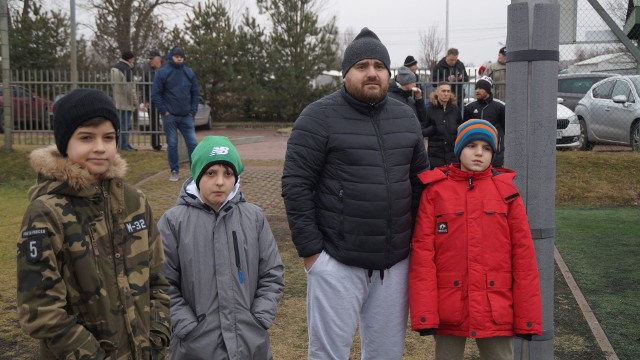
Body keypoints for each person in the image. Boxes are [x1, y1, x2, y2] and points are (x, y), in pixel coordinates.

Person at [281, 27, 429, 360]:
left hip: (394, 265)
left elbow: (420, 184)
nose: (372, 73)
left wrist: (415, 243)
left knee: (386, 354)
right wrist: (313, 255)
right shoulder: (317, 117)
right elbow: (296, 184)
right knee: (329, 354)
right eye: (362, 66)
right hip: (337, 262)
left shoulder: (406, 118)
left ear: (389, 74)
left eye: (379, 66)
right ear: (346, 73)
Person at [16, 88, 170, 359]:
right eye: (86, 137)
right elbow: (41, 311)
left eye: (108, 137)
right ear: (65, 143)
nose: (100, 147)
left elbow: (159, 281)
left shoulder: (134, 202)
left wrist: (157, 336)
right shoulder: (47, 214)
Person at [408, 119, 543, 360]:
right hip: (449, 303)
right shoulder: (436, 191)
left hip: (497, 305)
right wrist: (426, 312)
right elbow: (423, 255)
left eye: (487, 148)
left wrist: (526, 317)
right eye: (472, 145)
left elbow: (523, 258)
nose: (479, 153)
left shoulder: (507, 193)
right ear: (459, 149)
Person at [159, 135, 284, 359]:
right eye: (211, 173)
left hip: (250, 343)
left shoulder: (253, 217)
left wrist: (259, 318)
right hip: (196, 346)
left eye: (227, 173)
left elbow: (272, 273)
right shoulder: (173, 222)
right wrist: (186, 326)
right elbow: (161, 282)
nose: (219, 182)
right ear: (197, 175)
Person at [152, 46, 199, 182]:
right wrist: (165, 111)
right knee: (172, 144)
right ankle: (174, 170)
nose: (179, 58)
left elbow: (195, 92)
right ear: (171, 56)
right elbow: (156, 94)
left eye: (181, 56)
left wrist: (192, 111)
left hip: (186, 116)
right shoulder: (163, 73)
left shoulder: (189, 72)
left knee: (193, 144)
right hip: (170, 116)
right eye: (177, 56)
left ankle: (195, 171)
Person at [464, 76, 506, 167]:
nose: (477, 91)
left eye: (480, 88)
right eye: (476, 88)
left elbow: (505, 128)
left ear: (488, 90)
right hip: (475, 148)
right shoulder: (469, 107)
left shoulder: (500, 106)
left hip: (495, 149)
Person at [422, 81, 463, 167]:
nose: (446, 94)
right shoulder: (429, 110)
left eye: (448, 91)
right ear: (437, 92)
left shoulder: (455, 109)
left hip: (453, 155)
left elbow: (461, 128)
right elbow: (422, 131)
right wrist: (433, 129)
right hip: (435, 155)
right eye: (443, 91)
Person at [111, 50, 138, 151]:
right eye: (133, 59)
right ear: (130, 59)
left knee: (121, 124)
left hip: (118, 100)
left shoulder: (115, 68)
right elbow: (129, 88)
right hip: (126, 102)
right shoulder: (126, 69)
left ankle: (124, 144)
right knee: (126, 125)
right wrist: (134, 100)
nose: (134, 61)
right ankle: (124, 145)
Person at [143, 49, 163, 151]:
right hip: (153, 101)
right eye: (149, 59)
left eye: (152, 58)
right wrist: (146, 100)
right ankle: (155, 144)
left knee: (168, 122)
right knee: (154, 123)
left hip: (165, 100)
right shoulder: (147, 72)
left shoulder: (166, 69)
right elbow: (144, 87)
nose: (150, 60)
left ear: (158, 58)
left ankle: (172, 143)